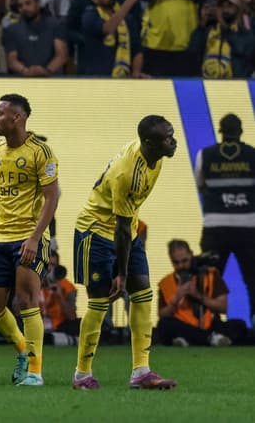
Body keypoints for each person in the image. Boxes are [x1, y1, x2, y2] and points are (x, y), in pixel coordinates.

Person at [72, 115, 178, 390]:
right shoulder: (128, 174)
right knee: (100, 300)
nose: (173, 141)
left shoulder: (154, 155)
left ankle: (141, 372)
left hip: (126, 229)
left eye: (172, 135)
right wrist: (121, 273)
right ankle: (82, 375)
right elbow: (119, 228)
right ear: (149, 143)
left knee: (142, 292)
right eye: (167, 138)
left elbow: (124, 225)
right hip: (96, 231)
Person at [0, 94, 59, 386]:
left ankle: (35, 372)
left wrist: (35, 238)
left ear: (17, 118)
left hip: (28, 236)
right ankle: (24, 350)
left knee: (26, 301)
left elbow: (52, 197)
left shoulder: (40, 152)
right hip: (1, 237)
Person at [196, 114, 255, 323]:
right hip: (249, 228)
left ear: (220, 132)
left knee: (210, 279)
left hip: (215, 228)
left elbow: (201, 186)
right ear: (240, 132)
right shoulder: (252, 155)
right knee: (253, 279)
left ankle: (207, 325)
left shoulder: (205, 155)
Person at [157, 240, 245, 347]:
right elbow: (162, 315)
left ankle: (189, 339)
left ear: (191, 255)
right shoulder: (166, 283)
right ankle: (210, 339)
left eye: (184, 261)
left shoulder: (210, 274)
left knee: (239, 325)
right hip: (183, 325)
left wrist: (198, 295)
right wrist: (176, 298)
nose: (181, 266)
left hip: (210, 325)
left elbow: (223, 308)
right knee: (164, 325)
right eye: (176, 263)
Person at [80, 0, 145, 77]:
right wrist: (130, 0)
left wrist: (136, 72)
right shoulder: (90, 15)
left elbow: (137, 50)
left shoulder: (127, 19)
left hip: (123, 77)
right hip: (97, 77)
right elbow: (108, 28)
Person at [4, 0, 69, 77]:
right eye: (20, 6)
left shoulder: (56, 25)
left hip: (52, 79)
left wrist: (46, 71)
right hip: (23, 80)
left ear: (38, 3)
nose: (24, 8)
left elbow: (61, 55)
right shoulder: (12, 29)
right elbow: (12, 60)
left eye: (28, 3)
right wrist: (26, 71)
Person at [190, 0, 255, 79]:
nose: (225, 10)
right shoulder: (208, 31)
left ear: (237, 9)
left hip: (235, 83)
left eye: (229, 6)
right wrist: (202, 24)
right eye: (221, 6)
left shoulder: (244, 33)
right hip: (208, 82)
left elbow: (242, 50)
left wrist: (224, 27)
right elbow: (192, 50)